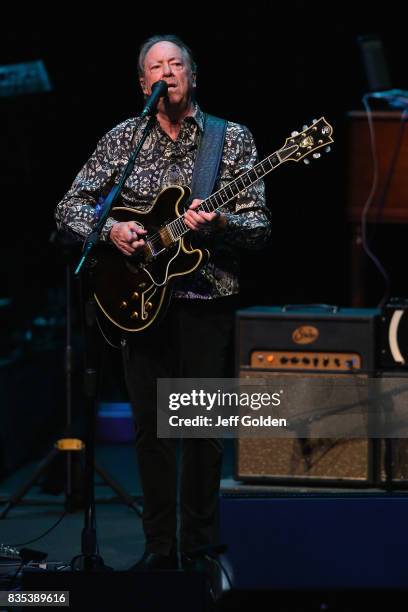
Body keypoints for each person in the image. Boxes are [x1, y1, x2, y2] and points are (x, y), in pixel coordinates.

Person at [55, 34, 271, 575]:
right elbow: (69, 206)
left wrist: (220, 222)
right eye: (157, 66)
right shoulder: (123, 139)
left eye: (177, 64)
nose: (168, 72)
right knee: (150, 431)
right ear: (143, 82)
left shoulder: (231, 138)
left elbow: (260, 227)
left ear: (193, 76)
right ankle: (159, 548)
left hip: (206, 295)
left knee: (198, 428)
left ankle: (197, 547)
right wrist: (112, 230)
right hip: (135, 299)